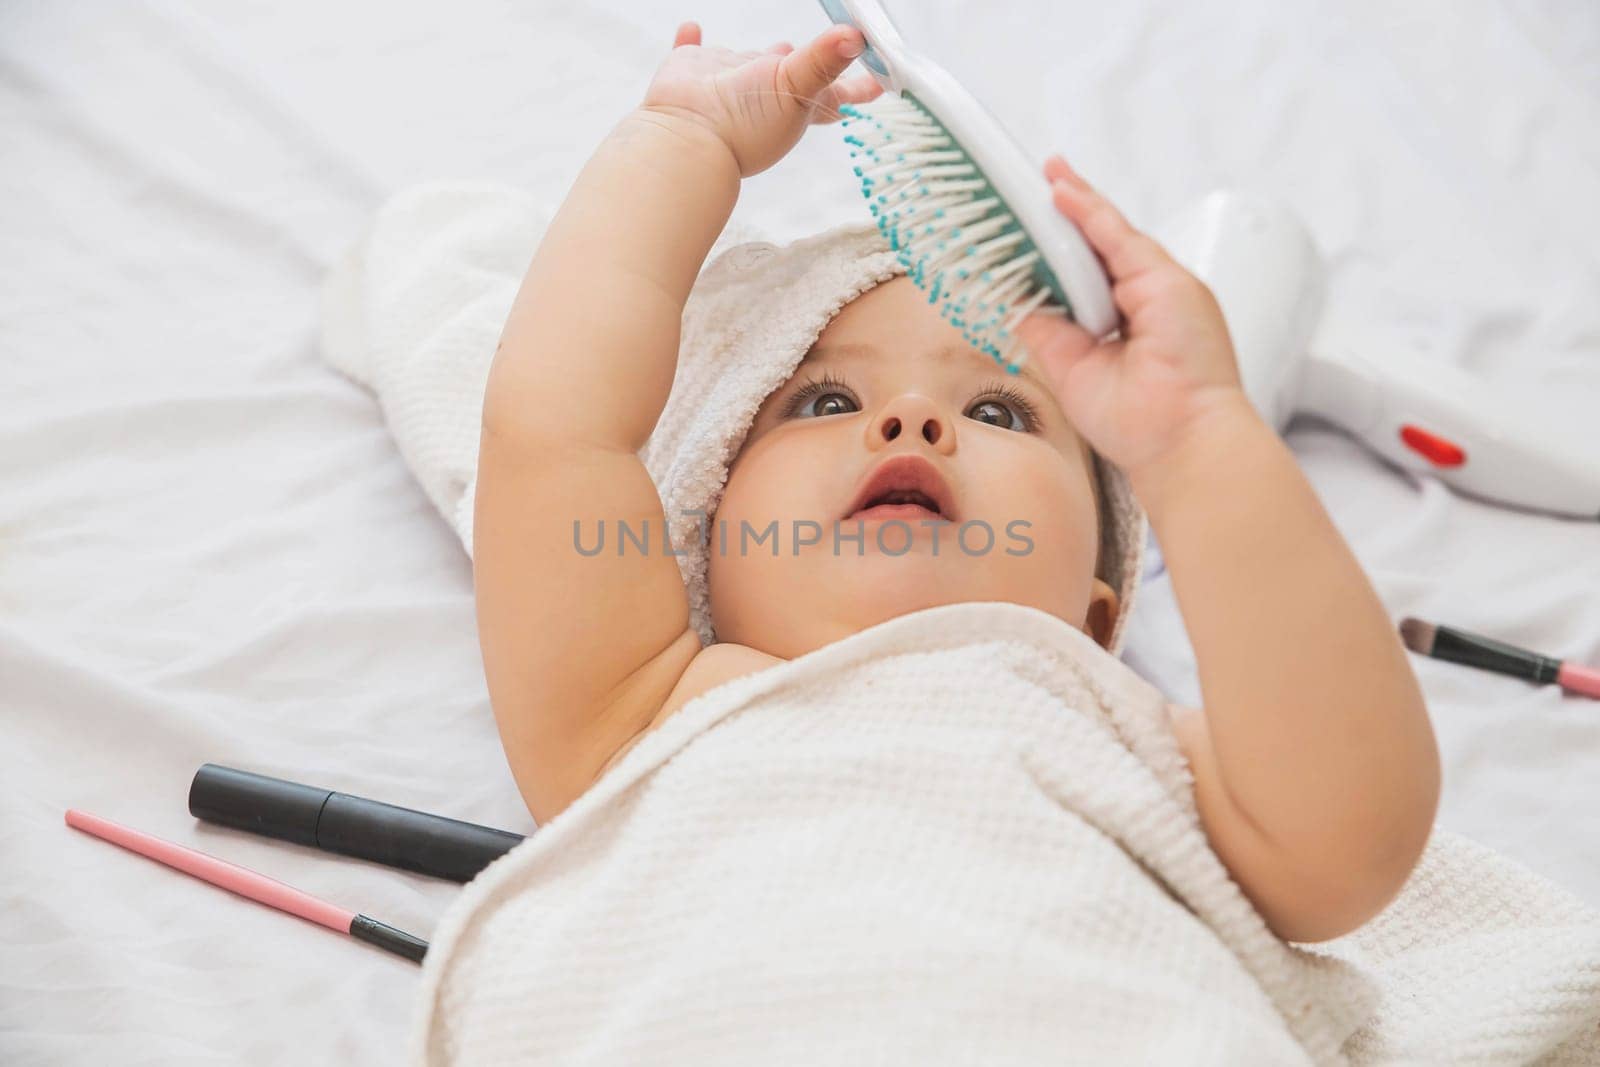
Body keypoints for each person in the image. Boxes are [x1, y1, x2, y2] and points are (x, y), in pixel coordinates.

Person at [470, 17, 1439, 946]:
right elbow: (556, 428)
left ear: (1098, 624)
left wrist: (1196, 437)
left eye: (997, 411)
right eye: (824, 400)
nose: (909, 422)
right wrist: (680, 142)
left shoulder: (1125, 750)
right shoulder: (652, 716)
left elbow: (1354, 824)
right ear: (701, 543)